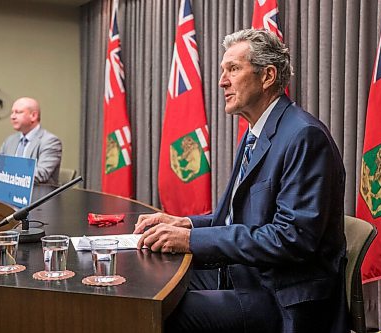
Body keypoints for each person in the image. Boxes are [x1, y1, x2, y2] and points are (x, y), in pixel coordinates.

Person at [134, 29, 348, 332]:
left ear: (268, 76)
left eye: (233, 69)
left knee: (162, 310)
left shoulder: (304, 136)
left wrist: (191, 241)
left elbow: (291, 239)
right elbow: (239, 219)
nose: (222, 81)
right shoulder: (254, 134)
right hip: (245, 275)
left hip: (282, 296)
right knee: (149, 285)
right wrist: (187, 224)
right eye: (224, 71)